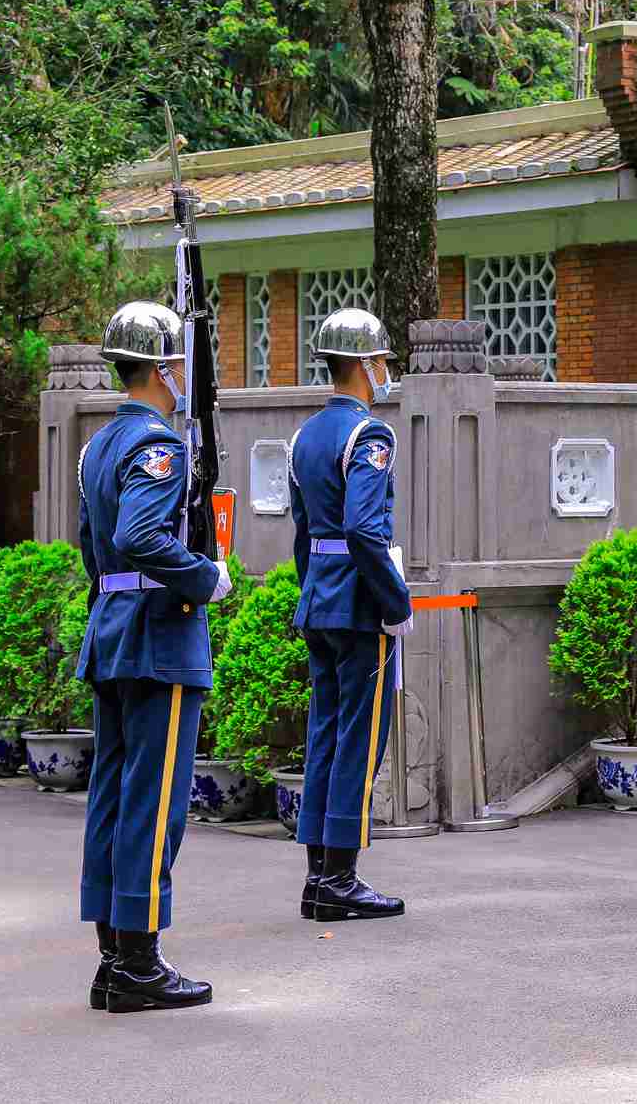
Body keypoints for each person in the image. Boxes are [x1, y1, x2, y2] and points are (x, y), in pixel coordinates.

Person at [76, 301, 231, 1012]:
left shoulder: (99, 446)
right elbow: (142, 534)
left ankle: (115, 954)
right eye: (182, 365)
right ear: (167, 369)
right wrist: (204, 577)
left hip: (111, 627)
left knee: (113, 793)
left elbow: (92, 542)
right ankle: (139, 958)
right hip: (160, 634)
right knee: (155, 798)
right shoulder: (159, 445)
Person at [289, 307, 414, 922]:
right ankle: (340, 879)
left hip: (317, 599)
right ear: (364, 365)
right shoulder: (370, 436)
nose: (385, 371)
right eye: (382, 361)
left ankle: (318, 873)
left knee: (324, 733)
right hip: (360, 605)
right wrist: (395, 602)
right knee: (359, 738)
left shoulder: (305, 436)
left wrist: (312, 589)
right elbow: (365, 530)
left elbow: (301, 534)